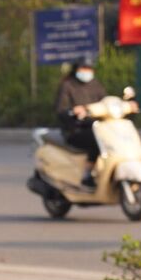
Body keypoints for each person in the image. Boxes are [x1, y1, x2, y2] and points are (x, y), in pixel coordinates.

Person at [55, 58, 106, 187]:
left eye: (89, 69)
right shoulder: (67, 86)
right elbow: (61, 110)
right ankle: (87, 174)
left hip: (96, 126)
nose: (86, 72)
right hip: (75, 130)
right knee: (97, 140)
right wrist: (73, 111)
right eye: (83, 68)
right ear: (76, 69)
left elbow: (105, 102)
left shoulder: (96, 85)